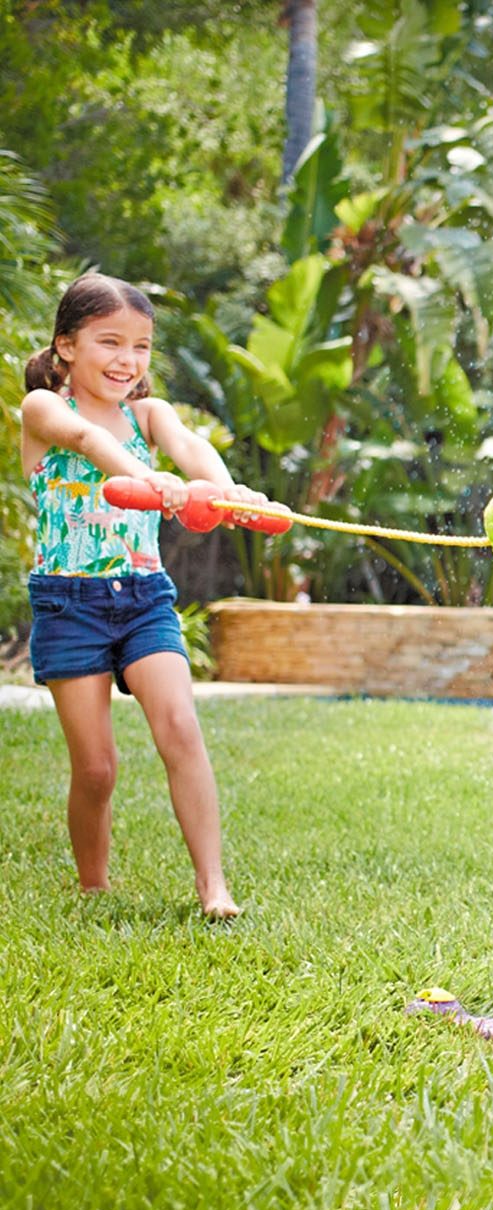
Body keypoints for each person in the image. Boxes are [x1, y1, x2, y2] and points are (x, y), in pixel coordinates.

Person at [21, 273, 281, 919]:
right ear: (66, 346)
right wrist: (145, 478)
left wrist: (227, 493)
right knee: (97, 770)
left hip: (142, 598)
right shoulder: (44, 408)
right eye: (109, 342)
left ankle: (213, 887)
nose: (127, 361)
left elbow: (192, 448)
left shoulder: (149, 414)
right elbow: (88, 442)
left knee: (180, 730)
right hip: (68, 602)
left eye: (140, 347)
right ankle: (92, 884)